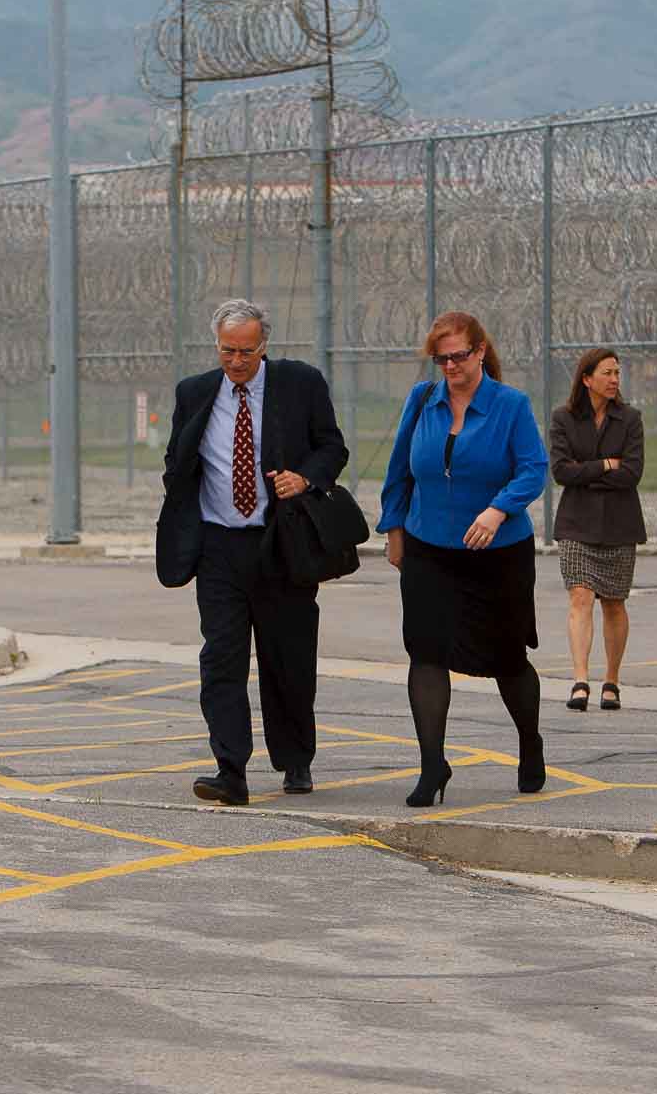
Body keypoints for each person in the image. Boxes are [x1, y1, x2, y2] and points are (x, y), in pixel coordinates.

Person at [156, 299, 348, 807]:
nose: (236, 361)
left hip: (280, 544)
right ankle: (230, 769)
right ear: (215, 345)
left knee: (287, 657)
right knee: (221, 658)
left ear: (264, 346)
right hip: (218, 547)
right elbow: (179, 459)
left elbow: (332, 447)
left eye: (246, 351)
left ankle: (295, 757)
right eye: (227, 350)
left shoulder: (299, 384)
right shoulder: (195, 393)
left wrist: (304, 478)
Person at [378, 312, 550, 807]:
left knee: (507, 657)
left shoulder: (510, 405)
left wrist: (498, 510)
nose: (451, 366)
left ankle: (529, 743)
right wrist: (394, 529)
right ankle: (433, 765)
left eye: (458, 356)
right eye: (441, 358)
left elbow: (533, 469)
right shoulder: (422, 400)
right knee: (426, 652)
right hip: (428, 545)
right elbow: (399, 472)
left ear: (479, 352)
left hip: (496, 552)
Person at [548, 348, 646, 712]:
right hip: (576, 523)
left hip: (620, 524)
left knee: (615, 604)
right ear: (587, 379)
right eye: (607, 372)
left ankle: (612, 681)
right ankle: (579, 680)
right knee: (580, 597)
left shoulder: (630, 419)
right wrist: (605, 465)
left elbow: (632, 473)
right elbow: (561, 472)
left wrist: (586, 473)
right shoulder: (564, 419)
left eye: (617, 372)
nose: (614, 379)